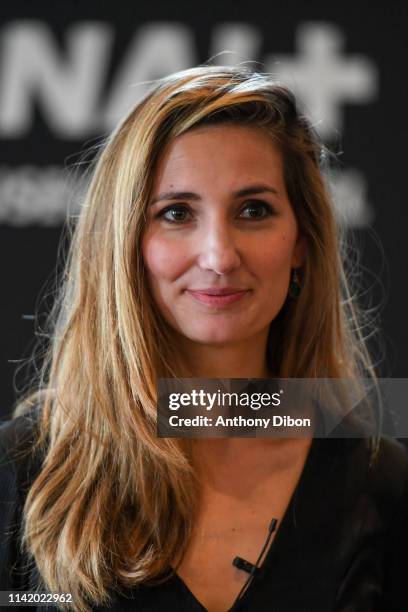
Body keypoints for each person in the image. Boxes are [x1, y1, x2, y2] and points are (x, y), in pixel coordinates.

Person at [0, 64, 407, 612]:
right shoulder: (20, 471)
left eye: (253, 210)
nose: (218, 255)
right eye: (176, 213)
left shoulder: (381, 484)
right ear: (123, 244)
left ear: (301, 243)